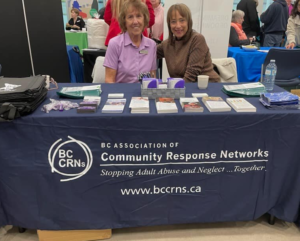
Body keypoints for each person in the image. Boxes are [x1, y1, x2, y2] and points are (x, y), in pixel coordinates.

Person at [157, 3, 220, 83]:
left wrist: (172, 91)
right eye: (173, 21)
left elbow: (190, 76)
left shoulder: (197, 39)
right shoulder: (167, 44)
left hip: (206, 87)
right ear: (169, 24)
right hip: (183, 88)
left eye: (182, 20)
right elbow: (147, 52)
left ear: (188, 22)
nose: (178, 25)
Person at [103, 0, 156, 83]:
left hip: (144, 94)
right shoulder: (115, 44)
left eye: (139, 16)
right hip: (121, 94)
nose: (135, 22)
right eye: (130, 17)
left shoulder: (152, 45)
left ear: (144, 19)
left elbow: (153, 78)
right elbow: (109, 80)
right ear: (124, 22)